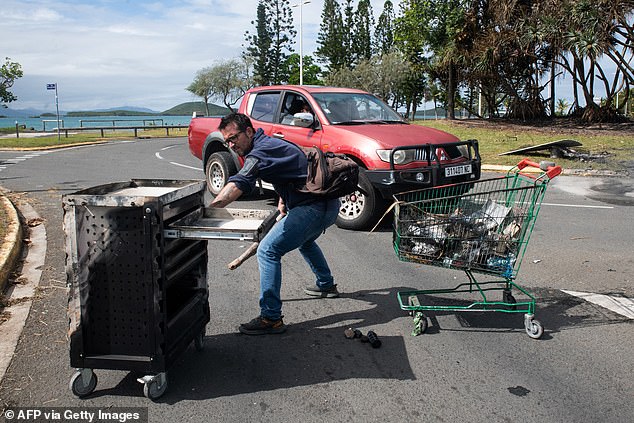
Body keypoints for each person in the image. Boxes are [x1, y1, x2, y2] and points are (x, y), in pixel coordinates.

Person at [210, 113, 340, 335]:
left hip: (312, 208)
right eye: (227, 141)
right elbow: (293, 168)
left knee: (267, 251)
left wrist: (209, 210)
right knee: (306, 242)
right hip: (330, 205)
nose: (231, 145)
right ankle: (326, 284)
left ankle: (271, 318)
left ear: (249, 132)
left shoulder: (259, 153)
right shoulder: (273, 142)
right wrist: (283, 199)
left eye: (234, 138)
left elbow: (238, 184)